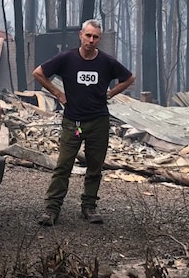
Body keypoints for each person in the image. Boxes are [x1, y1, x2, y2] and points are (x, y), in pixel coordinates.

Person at [33, 19, 135, 226]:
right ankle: (52, 209)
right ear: (80, 35)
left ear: (100, 39)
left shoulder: (106, 62)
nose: (91, 40)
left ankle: (89, 207)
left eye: (95, 37)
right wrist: (57, 93)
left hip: (98, 121)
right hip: (73, 121)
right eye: (88, 35)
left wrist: (111, 93)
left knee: (95, 167)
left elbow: (129, 78)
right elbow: (38, 73)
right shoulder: (67, 58)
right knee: (63, 166)